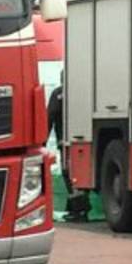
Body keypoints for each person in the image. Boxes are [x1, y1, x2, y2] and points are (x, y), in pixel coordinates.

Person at [47, 84, 90, 221]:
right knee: (83, 173)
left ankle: (78, 210)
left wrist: (42, 143)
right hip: (86, 141)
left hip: (65, 142)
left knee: (69, 174)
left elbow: (50, 117)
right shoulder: (84, 89)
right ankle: (80, 208)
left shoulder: (58, 94)